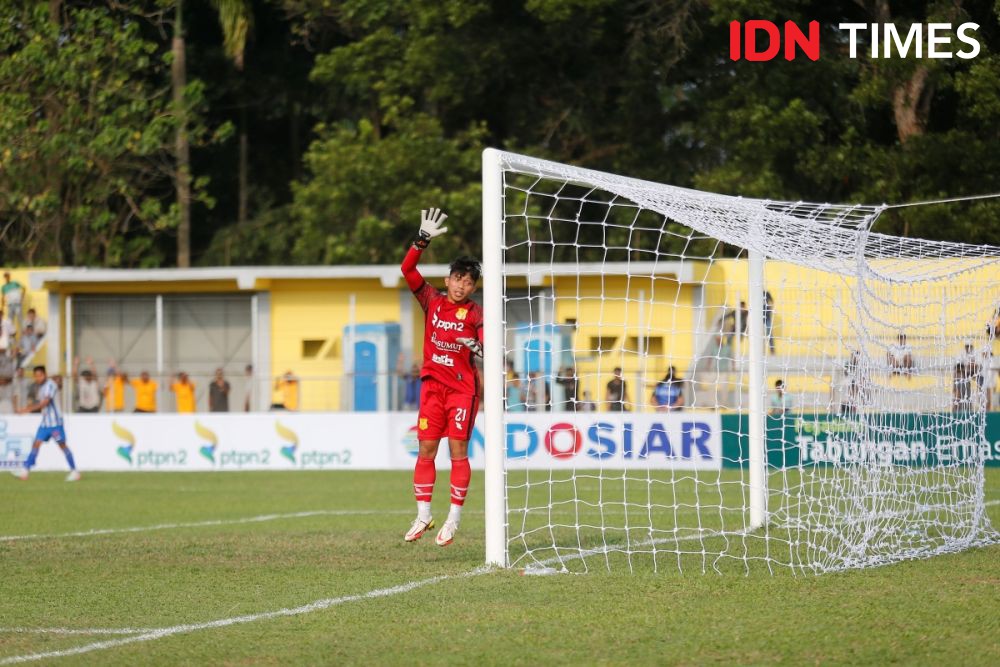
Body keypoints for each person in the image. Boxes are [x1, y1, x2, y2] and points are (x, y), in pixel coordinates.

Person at [400, 207, 482, 547]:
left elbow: (490, 351)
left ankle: (453, 519)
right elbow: (407, 269)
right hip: (431, 389)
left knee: (458, 451)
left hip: (462, 390)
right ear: (447, 280)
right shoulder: (431, 300)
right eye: (457, 278)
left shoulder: (477, 312)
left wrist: (476, 345)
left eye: (468, 281)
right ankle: (423, 515)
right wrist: (422, 240)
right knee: (426, 450)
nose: (462, 285)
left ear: (473, 286)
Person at [10, 365, 80, 481]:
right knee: (36, 444)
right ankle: (25, 471)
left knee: (62, 445)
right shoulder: (41, 387)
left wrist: (26, 410)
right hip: (45, 424)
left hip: (55, 424)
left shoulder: (50, 385)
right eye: (36, 376)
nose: (38, 378)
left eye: (40, 375)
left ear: (45, 375)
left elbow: (45, 403)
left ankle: (74, 471)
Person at [764, 291, 776, 355]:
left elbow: (771, 301)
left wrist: (770, 309)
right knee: (758, 334)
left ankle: (772, 350)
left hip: (767, 316)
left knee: (769, 333)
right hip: (758, 317)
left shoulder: (767, 293)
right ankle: (760, 350)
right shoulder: (755, 293)